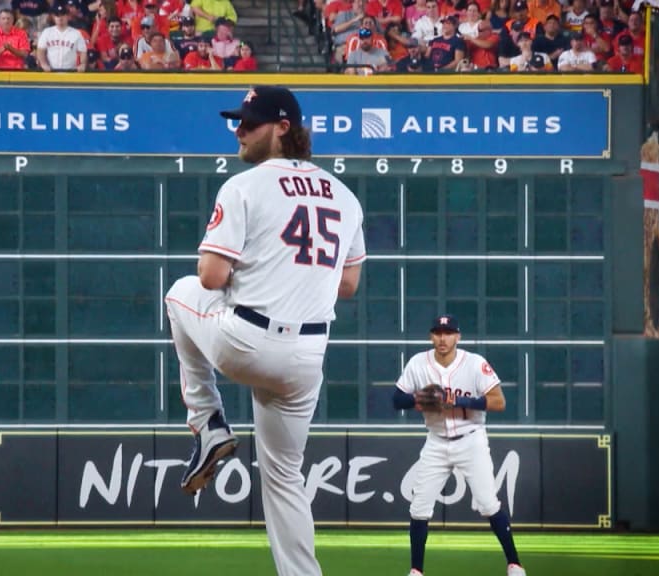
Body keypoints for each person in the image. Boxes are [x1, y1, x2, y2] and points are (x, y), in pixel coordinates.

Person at [165, 86, 366, 576]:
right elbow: (348, 284)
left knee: (179, 291)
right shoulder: (345, 195)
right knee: (284, 477)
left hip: (247, 342)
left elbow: (211, 277)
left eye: (250, 121)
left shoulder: (245, 187)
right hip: (306, 359)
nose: (239, 129)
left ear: (282, 128)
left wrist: (256, 274)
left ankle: (208, 422)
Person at [392, 314, 527, 576]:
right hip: (436, 441)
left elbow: (499, 402)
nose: (443, 338)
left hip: (471, 439)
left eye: (448, 333)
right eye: (438, 333)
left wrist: (459, 403)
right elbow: (397, 399)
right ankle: (416, 571)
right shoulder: (418, 363)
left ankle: (514, 564)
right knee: (419, 507)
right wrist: (418, 399)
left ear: (457, 336)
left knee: (488, 503)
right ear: (432, 336)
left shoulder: (475, 364)